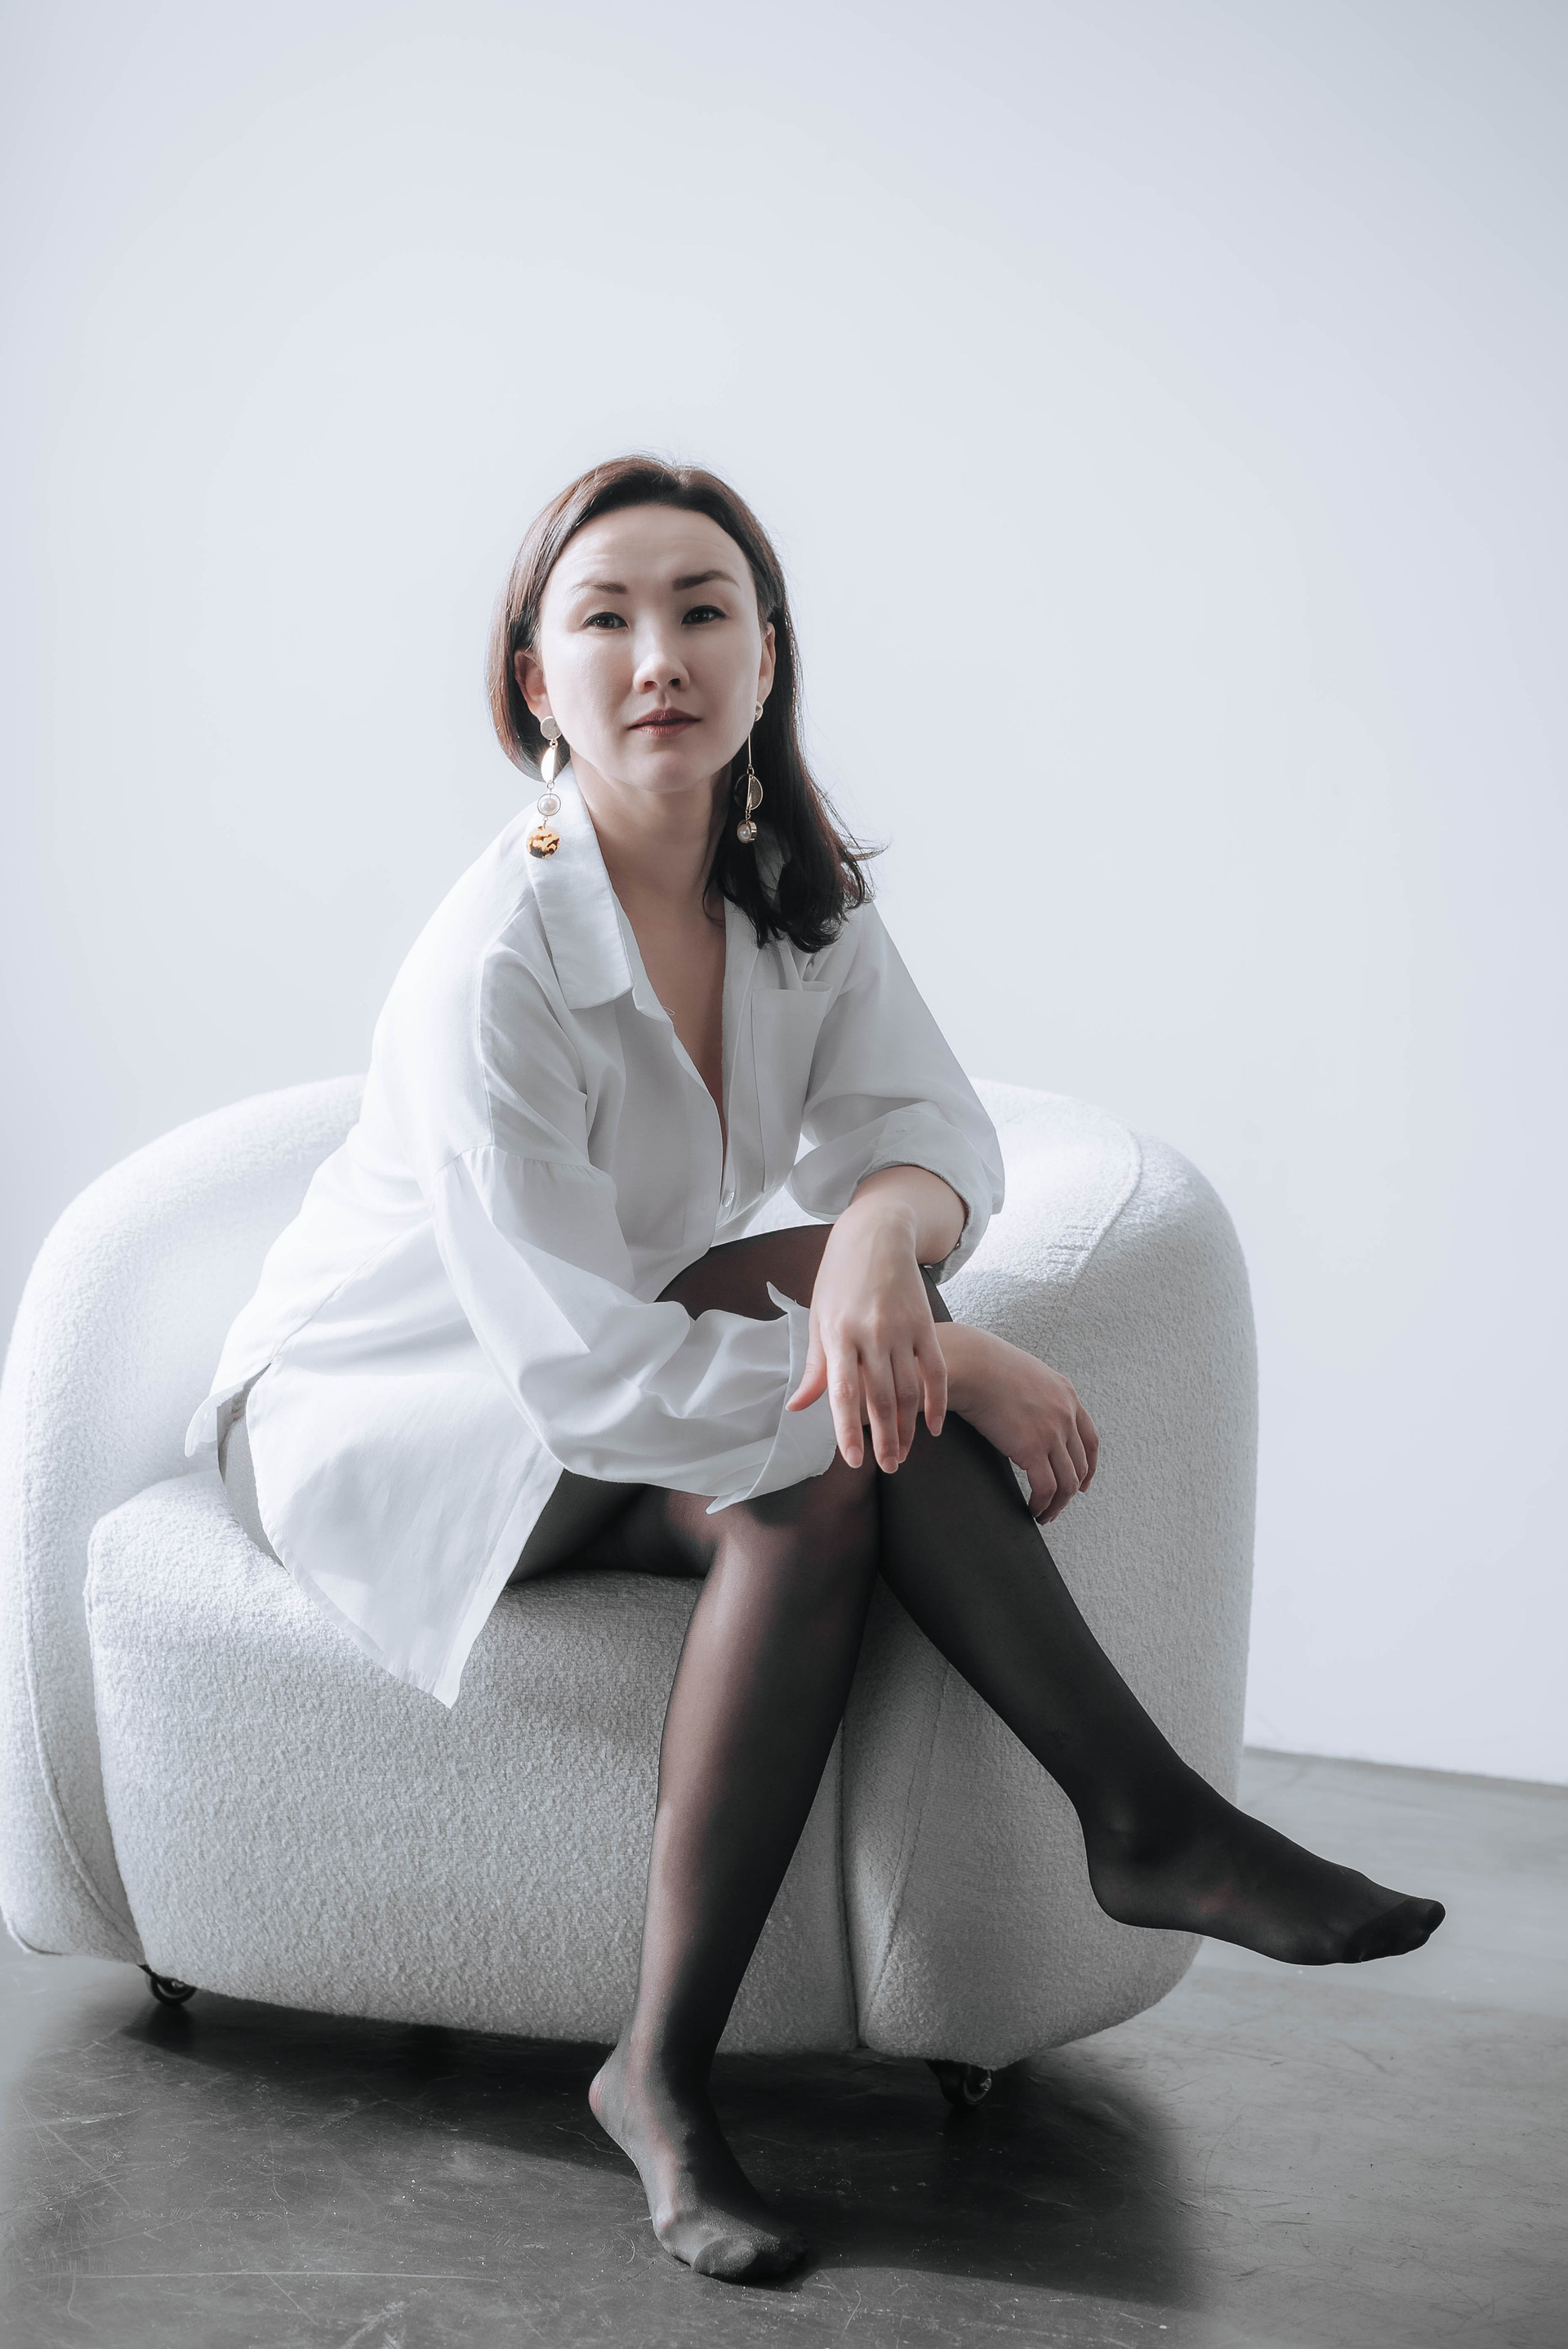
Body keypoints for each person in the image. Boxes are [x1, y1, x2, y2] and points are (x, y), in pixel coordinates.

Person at [189, 456, 1444, 2284]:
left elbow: (933, 1133)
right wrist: (939, 1347)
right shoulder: (495, 964)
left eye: (703, 610)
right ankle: (1112, 1836)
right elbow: (586, 1378)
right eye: (605, 619)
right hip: (388, 1407)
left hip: (597, 1326)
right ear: (536, 680)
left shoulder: (792, 893)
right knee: (839, 1452)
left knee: (844, 1424)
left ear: (766, 656)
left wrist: (877, 1246)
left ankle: (710, 2044)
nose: (659, 655)